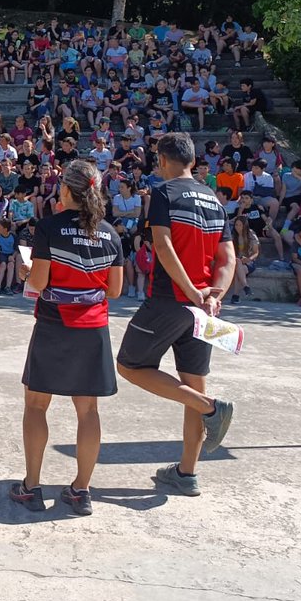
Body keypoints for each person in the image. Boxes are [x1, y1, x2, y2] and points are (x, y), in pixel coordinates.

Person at [116, 133, 236, 498]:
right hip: (207, 311)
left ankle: (211, 409)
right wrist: (214, 294)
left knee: (129, 365)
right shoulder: (214, 200)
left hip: (170, 300)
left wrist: (191, 291)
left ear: (164, 160)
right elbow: (228, 258)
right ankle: (187, 473)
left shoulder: (165, 194)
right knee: (192, 385)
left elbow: (164, 246)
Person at [11, 160, 123, 516]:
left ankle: (31, 486)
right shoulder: (111, 233)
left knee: (36, 405)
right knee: (88, 410)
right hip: (93, 329)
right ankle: (80, 490)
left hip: (53, 324)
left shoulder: (48, 228)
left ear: (65, 190)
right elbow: (116, 290)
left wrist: (27, 272)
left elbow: (39, 284)